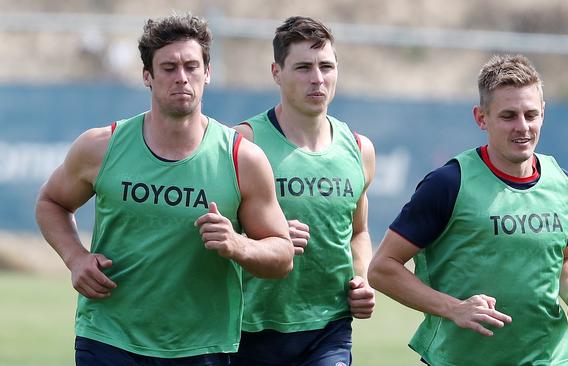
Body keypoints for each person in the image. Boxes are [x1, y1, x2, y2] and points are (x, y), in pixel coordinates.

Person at [34, 13, 294, 366]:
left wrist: (238, 244)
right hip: (109, 337)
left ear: (208, 73)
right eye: (169, 67)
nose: (182, 77)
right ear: (147, 76)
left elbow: (282, 255)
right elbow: (51, 202)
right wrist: (75, 257)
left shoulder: (241, 159)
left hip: (202, 346)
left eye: (191, 66)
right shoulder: (102, 146)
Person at [368, 54, 568, 365]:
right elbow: (382, 268)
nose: (522, 127)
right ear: (481, 118)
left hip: (548, 357)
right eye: (508, 115)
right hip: (458, 358)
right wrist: (453, 308)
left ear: (543, 113)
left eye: (531, 114)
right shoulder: (448, 184)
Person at [229, 16, 376, 366]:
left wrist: (361, 278)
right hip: (247, 328)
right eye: (303, 67)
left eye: (326, 66)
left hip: (328, 328)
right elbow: (211, 231)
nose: (317, 78)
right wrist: (264, 240)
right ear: (276, 72)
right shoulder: (242, 143)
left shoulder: (359, 148)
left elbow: (358, 232)